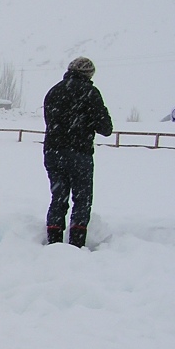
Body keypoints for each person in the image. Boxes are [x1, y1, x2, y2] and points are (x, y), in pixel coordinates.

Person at [42, 57, 113, 247]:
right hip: (79, 153)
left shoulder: (54, 91)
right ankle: (76, 242)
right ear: (89, 74)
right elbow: (106, 128)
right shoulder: (90, 93)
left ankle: (54, 240)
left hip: (53, 152)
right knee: (82, 199)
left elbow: (50, 121)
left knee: (58, 198)